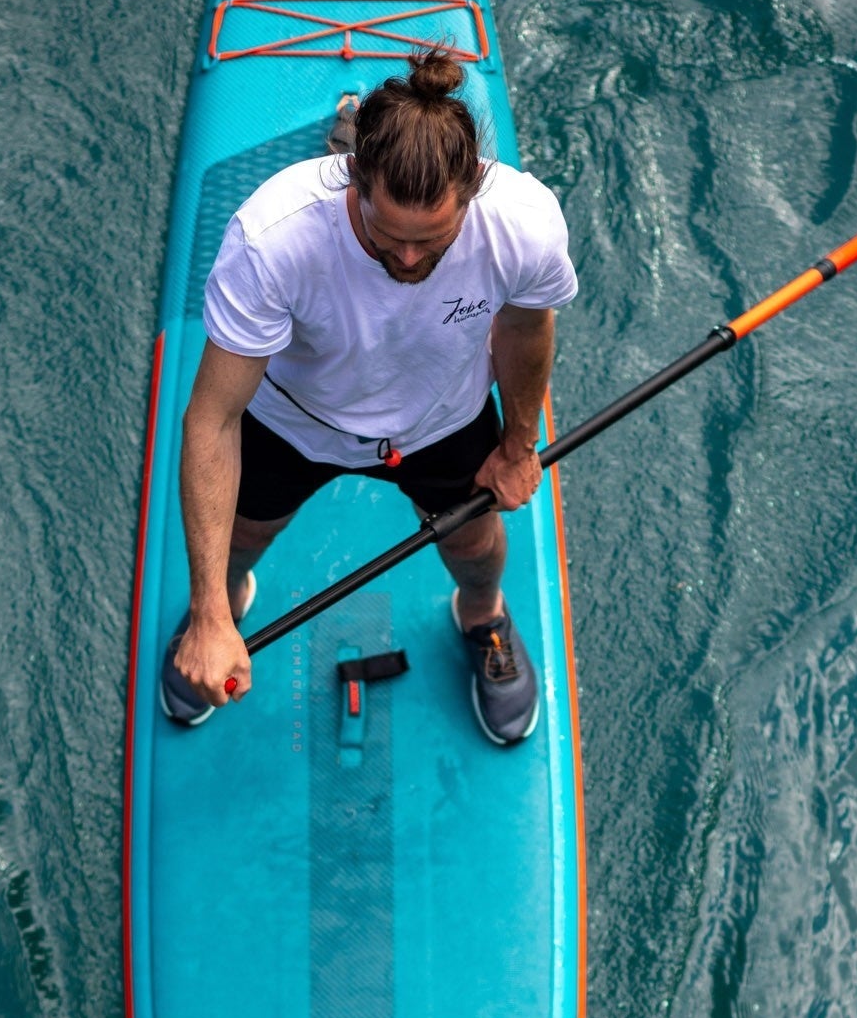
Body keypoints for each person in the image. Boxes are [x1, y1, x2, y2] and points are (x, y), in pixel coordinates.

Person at [162, 48, 578, 744]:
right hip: (295, 419)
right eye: (389, 236)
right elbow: (214, 416)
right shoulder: (273, 240)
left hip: (441, 415)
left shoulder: (523, 225)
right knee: (239, 542)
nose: (408, 261)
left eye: (432, 241)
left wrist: (516, 443)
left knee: (475, 547)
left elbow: (526, 327)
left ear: (473, 187)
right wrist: (205, 609)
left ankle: (484, 620)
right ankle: (220, 618)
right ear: (354, 177)